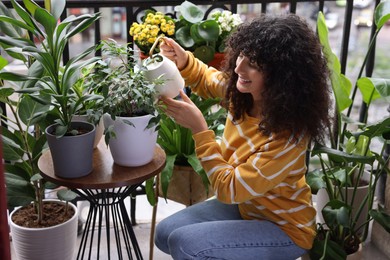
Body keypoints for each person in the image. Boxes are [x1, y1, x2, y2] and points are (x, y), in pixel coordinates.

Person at [156, 13, 331, 260]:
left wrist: (199, 130)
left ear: (282, 77)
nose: (239, 67)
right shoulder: (244, 96)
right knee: (164, 233)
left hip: (285, 229)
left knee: (186, 245)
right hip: (247, 207)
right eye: (241, 55)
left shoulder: (288, 138)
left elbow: (229, 189)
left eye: (254, 64)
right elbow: (208, 80)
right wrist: (184, 61)